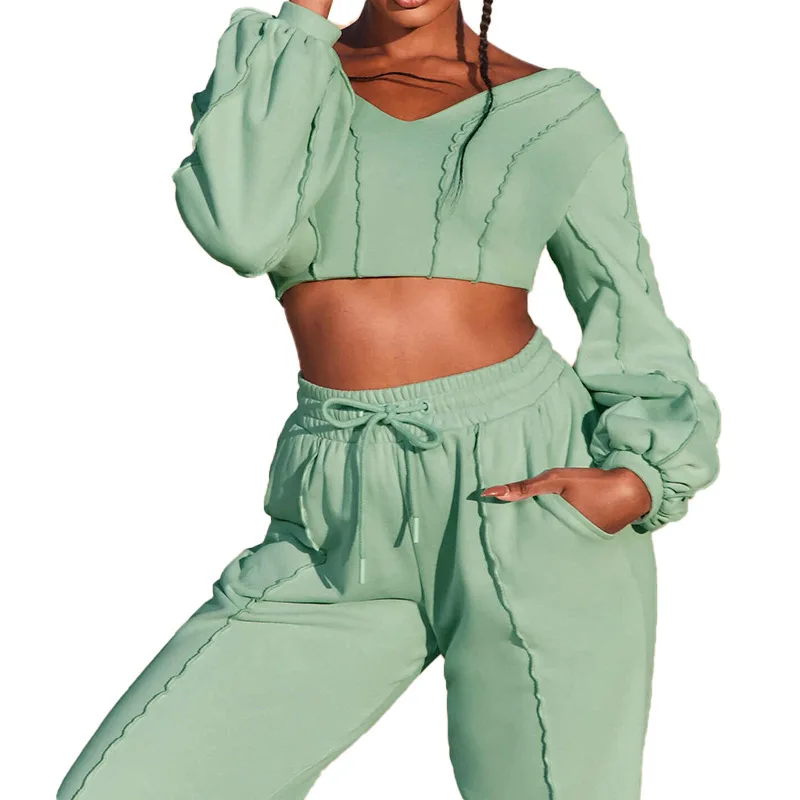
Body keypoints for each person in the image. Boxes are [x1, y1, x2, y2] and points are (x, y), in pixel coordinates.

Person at [56, 1, 721, 798]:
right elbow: (240, 231)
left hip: (531, 490)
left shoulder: (554, 111)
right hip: (335, 513)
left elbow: (628, 307)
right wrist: (303, 20)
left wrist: (641, 479)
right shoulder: (287, 83)